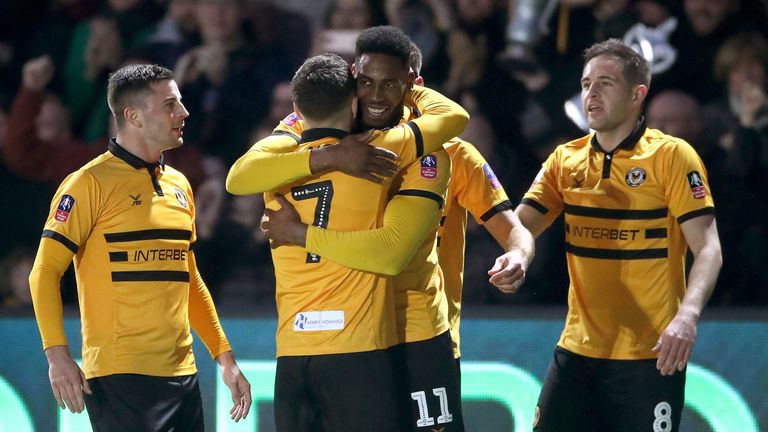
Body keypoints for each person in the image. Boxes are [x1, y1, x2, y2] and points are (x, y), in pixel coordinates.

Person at [227, 45, 468, 430]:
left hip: (295, 352)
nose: (376, 95)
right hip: (361, 348)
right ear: (354, 100)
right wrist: (407, 90)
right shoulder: (387, 153)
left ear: (295, 106)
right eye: (367, 84)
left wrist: (297, 232)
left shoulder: (275, 166)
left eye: (388, 84)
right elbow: (455, 116)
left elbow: (236, 177)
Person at [28, 64, 251, 431]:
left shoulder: (180, 185)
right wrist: (57, 355)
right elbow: (44, 271)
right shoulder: (87, 184)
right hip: (122, 377)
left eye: (179, 103)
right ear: (133, 116)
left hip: (184, 376)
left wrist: (224, 357)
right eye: (170, 105)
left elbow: (189, 278)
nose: (183, 113)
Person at [514, 39, 722, 431]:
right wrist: (516, 255)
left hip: (651, 355)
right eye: (586, 83)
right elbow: (521, 227)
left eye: (606, 83)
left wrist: (687, 316)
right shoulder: (565, 159)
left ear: (637, 94)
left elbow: (709, 248)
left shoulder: (671, 157)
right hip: (576, 351)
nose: (591, 93)